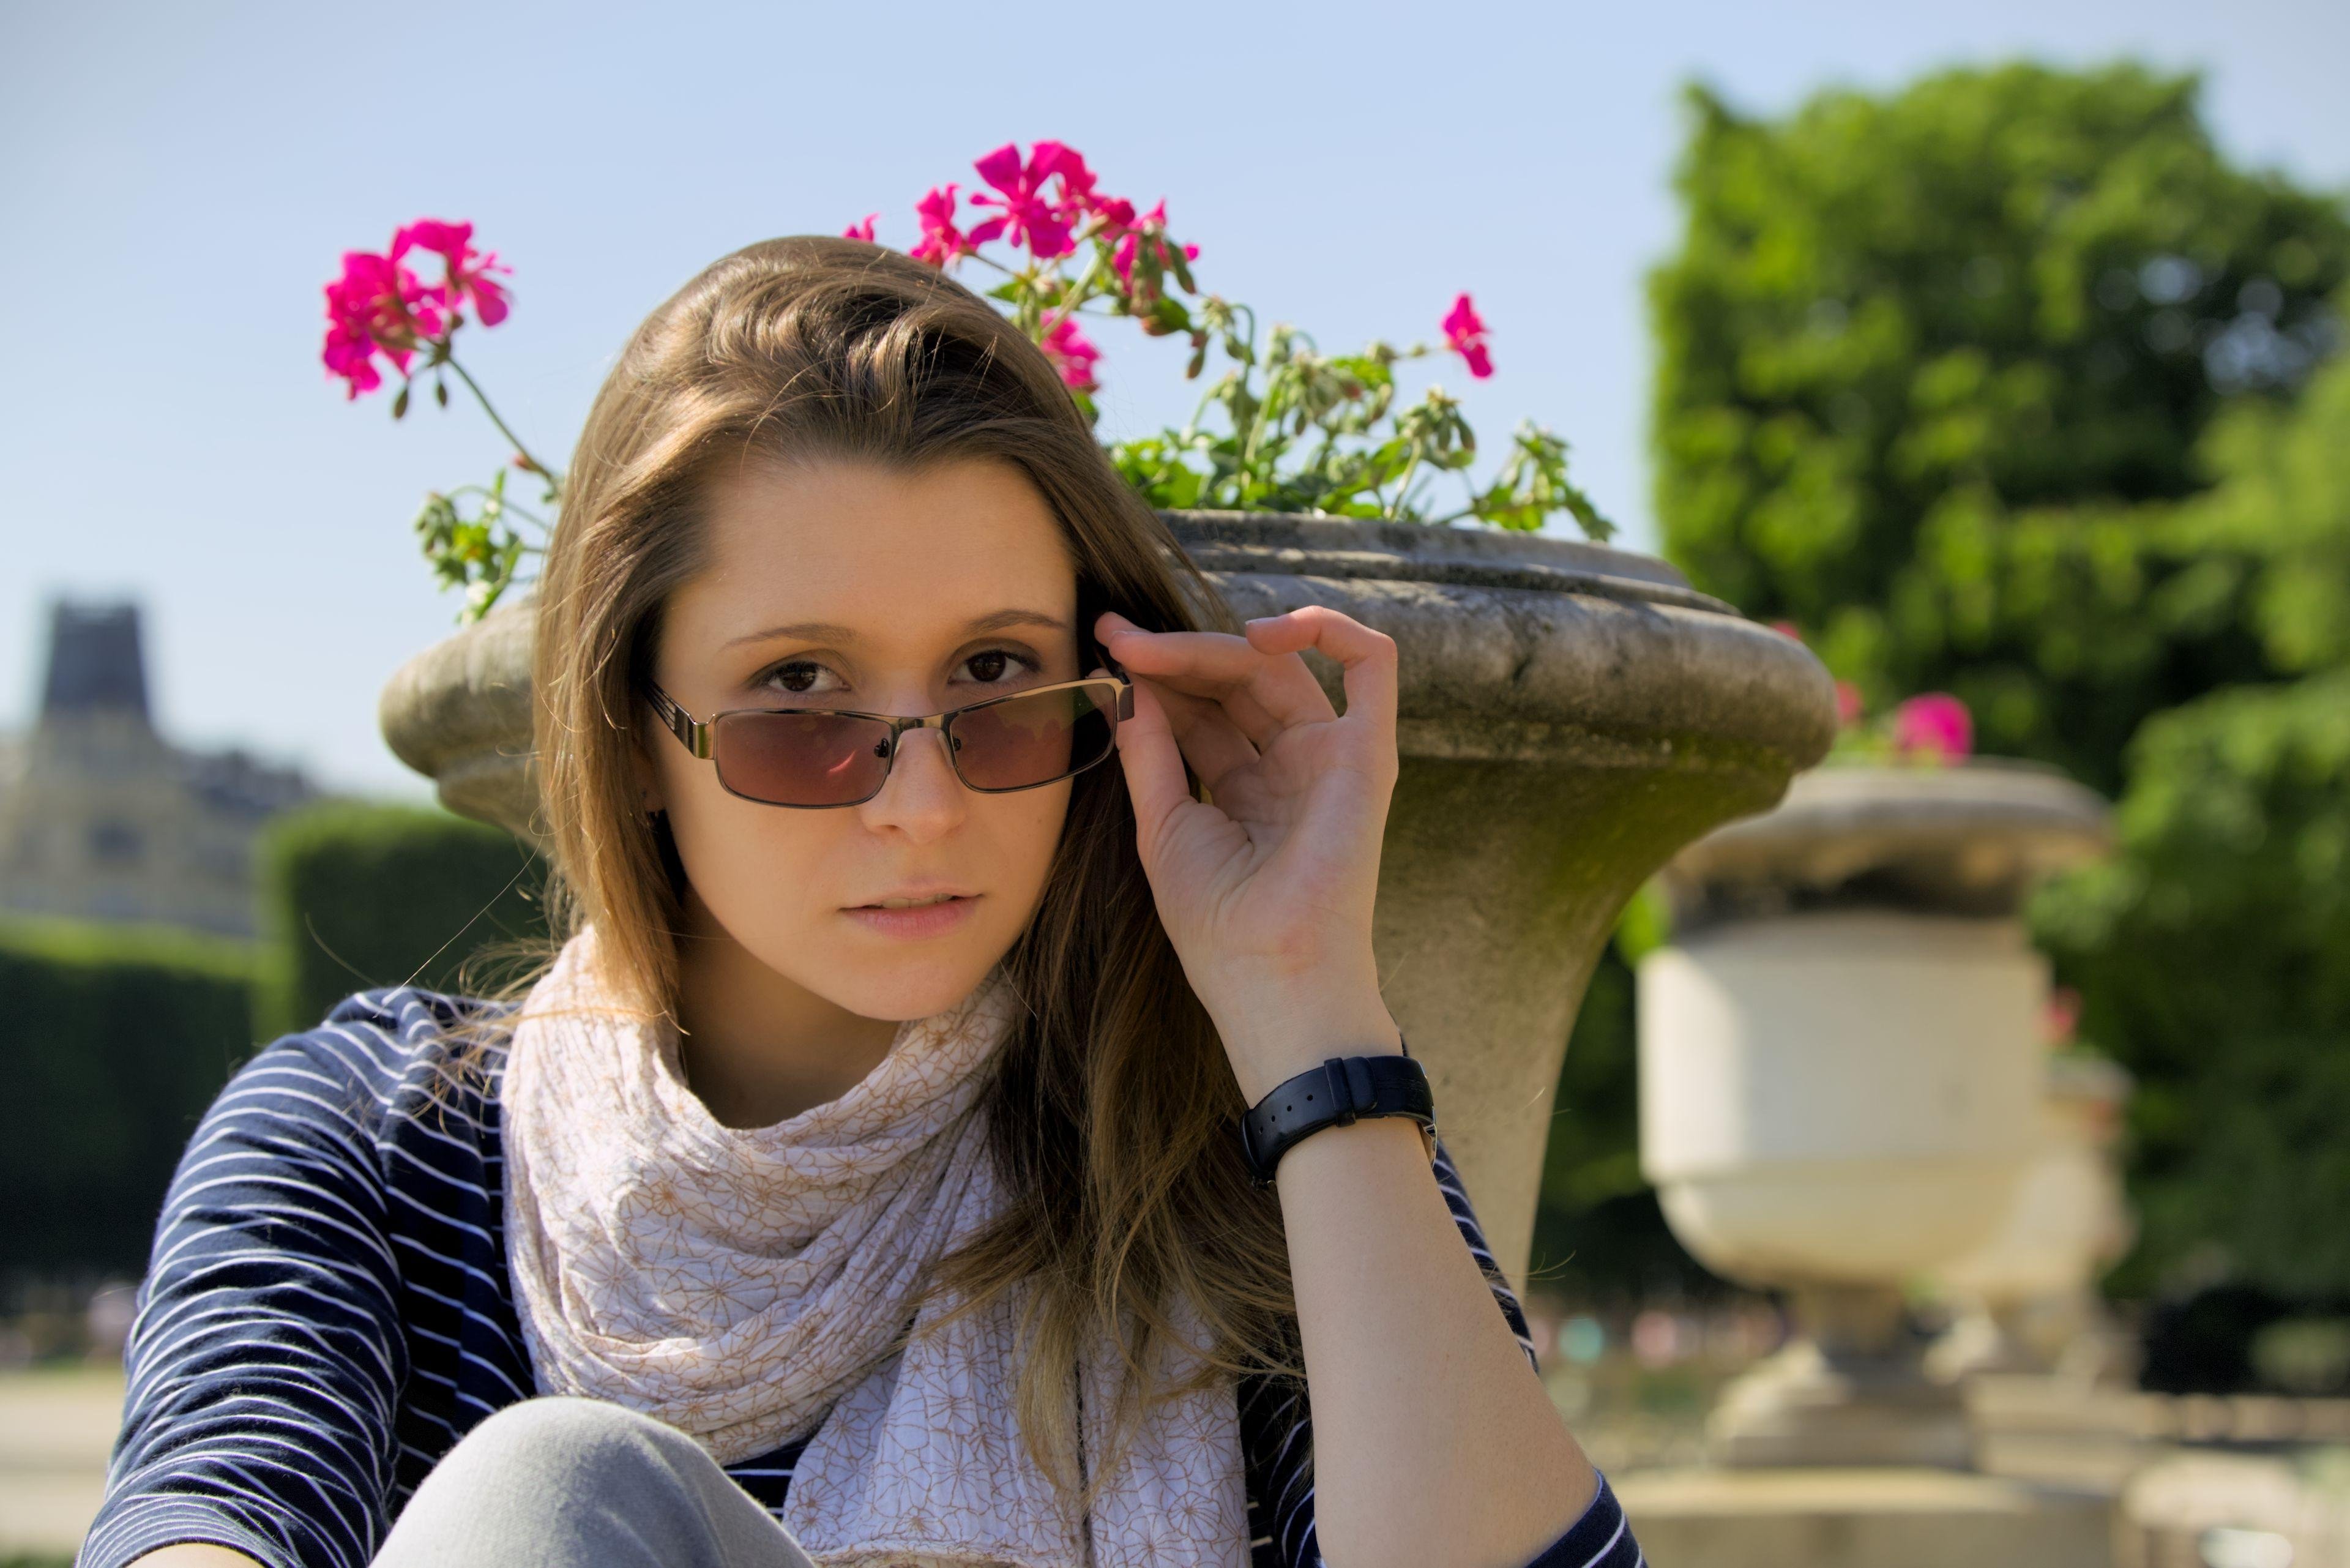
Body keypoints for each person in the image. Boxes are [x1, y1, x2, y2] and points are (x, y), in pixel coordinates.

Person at [82, 236, 1641, 1568]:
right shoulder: (372, 1142)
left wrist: (1306, 991)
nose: (923, 801)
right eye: (799, 693)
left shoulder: (1243, 1143)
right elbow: (217, 1498)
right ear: (634, 736)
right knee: (556, 1497)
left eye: (996, 678)